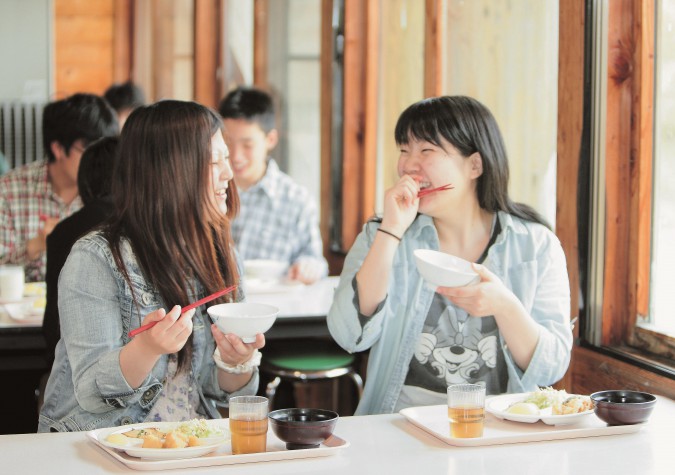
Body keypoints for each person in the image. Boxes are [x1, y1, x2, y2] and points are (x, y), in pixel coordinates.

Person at [327, 96, 572, 415]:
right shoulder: (382, 234)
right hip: (399, 424)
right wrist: (391, 231)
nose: (408, 166)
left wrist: (504, 306)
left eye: (426, 150)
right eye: (404, 150)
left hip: (496, 429)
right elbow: (349, 335)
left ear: (475, 165)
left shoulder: (537, 245)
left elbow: (551, 366)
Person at [38, 100, 264, 432]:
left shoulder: (219, 251)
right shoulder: (95, 259)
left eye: (226, 158)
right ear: (170, 170)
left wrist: (235, 362)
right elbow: (91, 393)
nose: (229, 174)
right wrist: (147, 348)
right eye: (214, 161)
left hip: (187, 444)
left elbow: (219, 392)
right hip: (98, 448)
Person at [0, 93, 119, 282]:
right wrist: (35, 245)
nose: (100, 161)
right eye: (90, 151)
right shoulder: (9, 190)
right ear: (58, 148)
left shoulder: (113, 192)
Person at [218, 86, 327, 284]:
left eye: (247, 145)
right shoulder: (207, 193)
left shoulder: (296, 200)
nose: (235, 155)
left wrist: (307, 267)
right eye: (227, 143)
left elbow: (315, 260)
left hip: (277, 308)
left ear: (271, 139)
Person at [43, 136, 120, 366]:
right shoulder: (149, 224)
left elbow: (52, 327)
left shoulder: (63, 232)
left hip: (75, 371)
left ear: (85, 183)